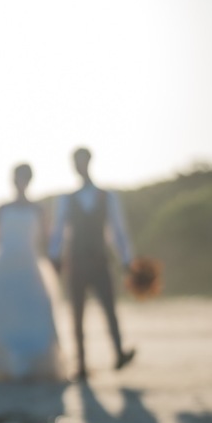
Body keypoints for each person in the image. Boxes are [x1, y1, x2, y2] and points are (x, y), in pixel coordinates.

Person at [0, 164, 63, 381]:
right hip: (3, 265)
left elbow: (49, 238)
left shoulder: (38, 209)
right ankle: (5, 363)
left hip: (29, 265)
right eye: (18, 178)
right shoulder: (3, 209)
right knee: (2, 311)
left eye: (24, 178)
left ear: (29, 181)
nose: (20, 182)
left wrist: (55, 260)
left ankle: (33, 364)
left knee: (37, 311)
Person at [48, 147, 136, 381]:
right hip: (75, 262)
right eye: (76, 162)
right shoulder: (66, 200)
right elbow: (58, 231)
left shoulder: (108, 197)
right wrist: (54, 257)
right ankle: (82, 364)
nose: (79, 166)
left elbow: (117, 231)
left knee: (109, 308)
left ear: (89, 162)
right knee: (77, 312)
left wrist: (127, 259)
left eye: (82, 161)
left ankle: (118, 353)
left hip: (100, 260)